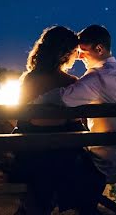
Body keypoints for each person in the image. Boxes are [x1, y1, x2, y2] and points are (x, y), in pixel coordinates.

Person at [36, 24, 116, 215]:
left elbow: (63, 98)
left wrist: (33, 102)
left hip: (106, 161)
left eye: (83, 51)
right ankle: (82, 206)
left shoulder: (97, 78)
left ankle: (59, 207)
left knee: (58, 161)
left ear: (99, 49)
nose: (79, 57)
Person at [13, 25, 85, 215]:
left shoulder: (28, 80)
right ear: (65, 54)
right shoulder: (71, 83)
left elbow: (21, 120)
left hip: (32, 157)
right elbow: (77, 124)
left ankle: (33, 208)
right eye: (74, 52)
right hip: (63, 159)